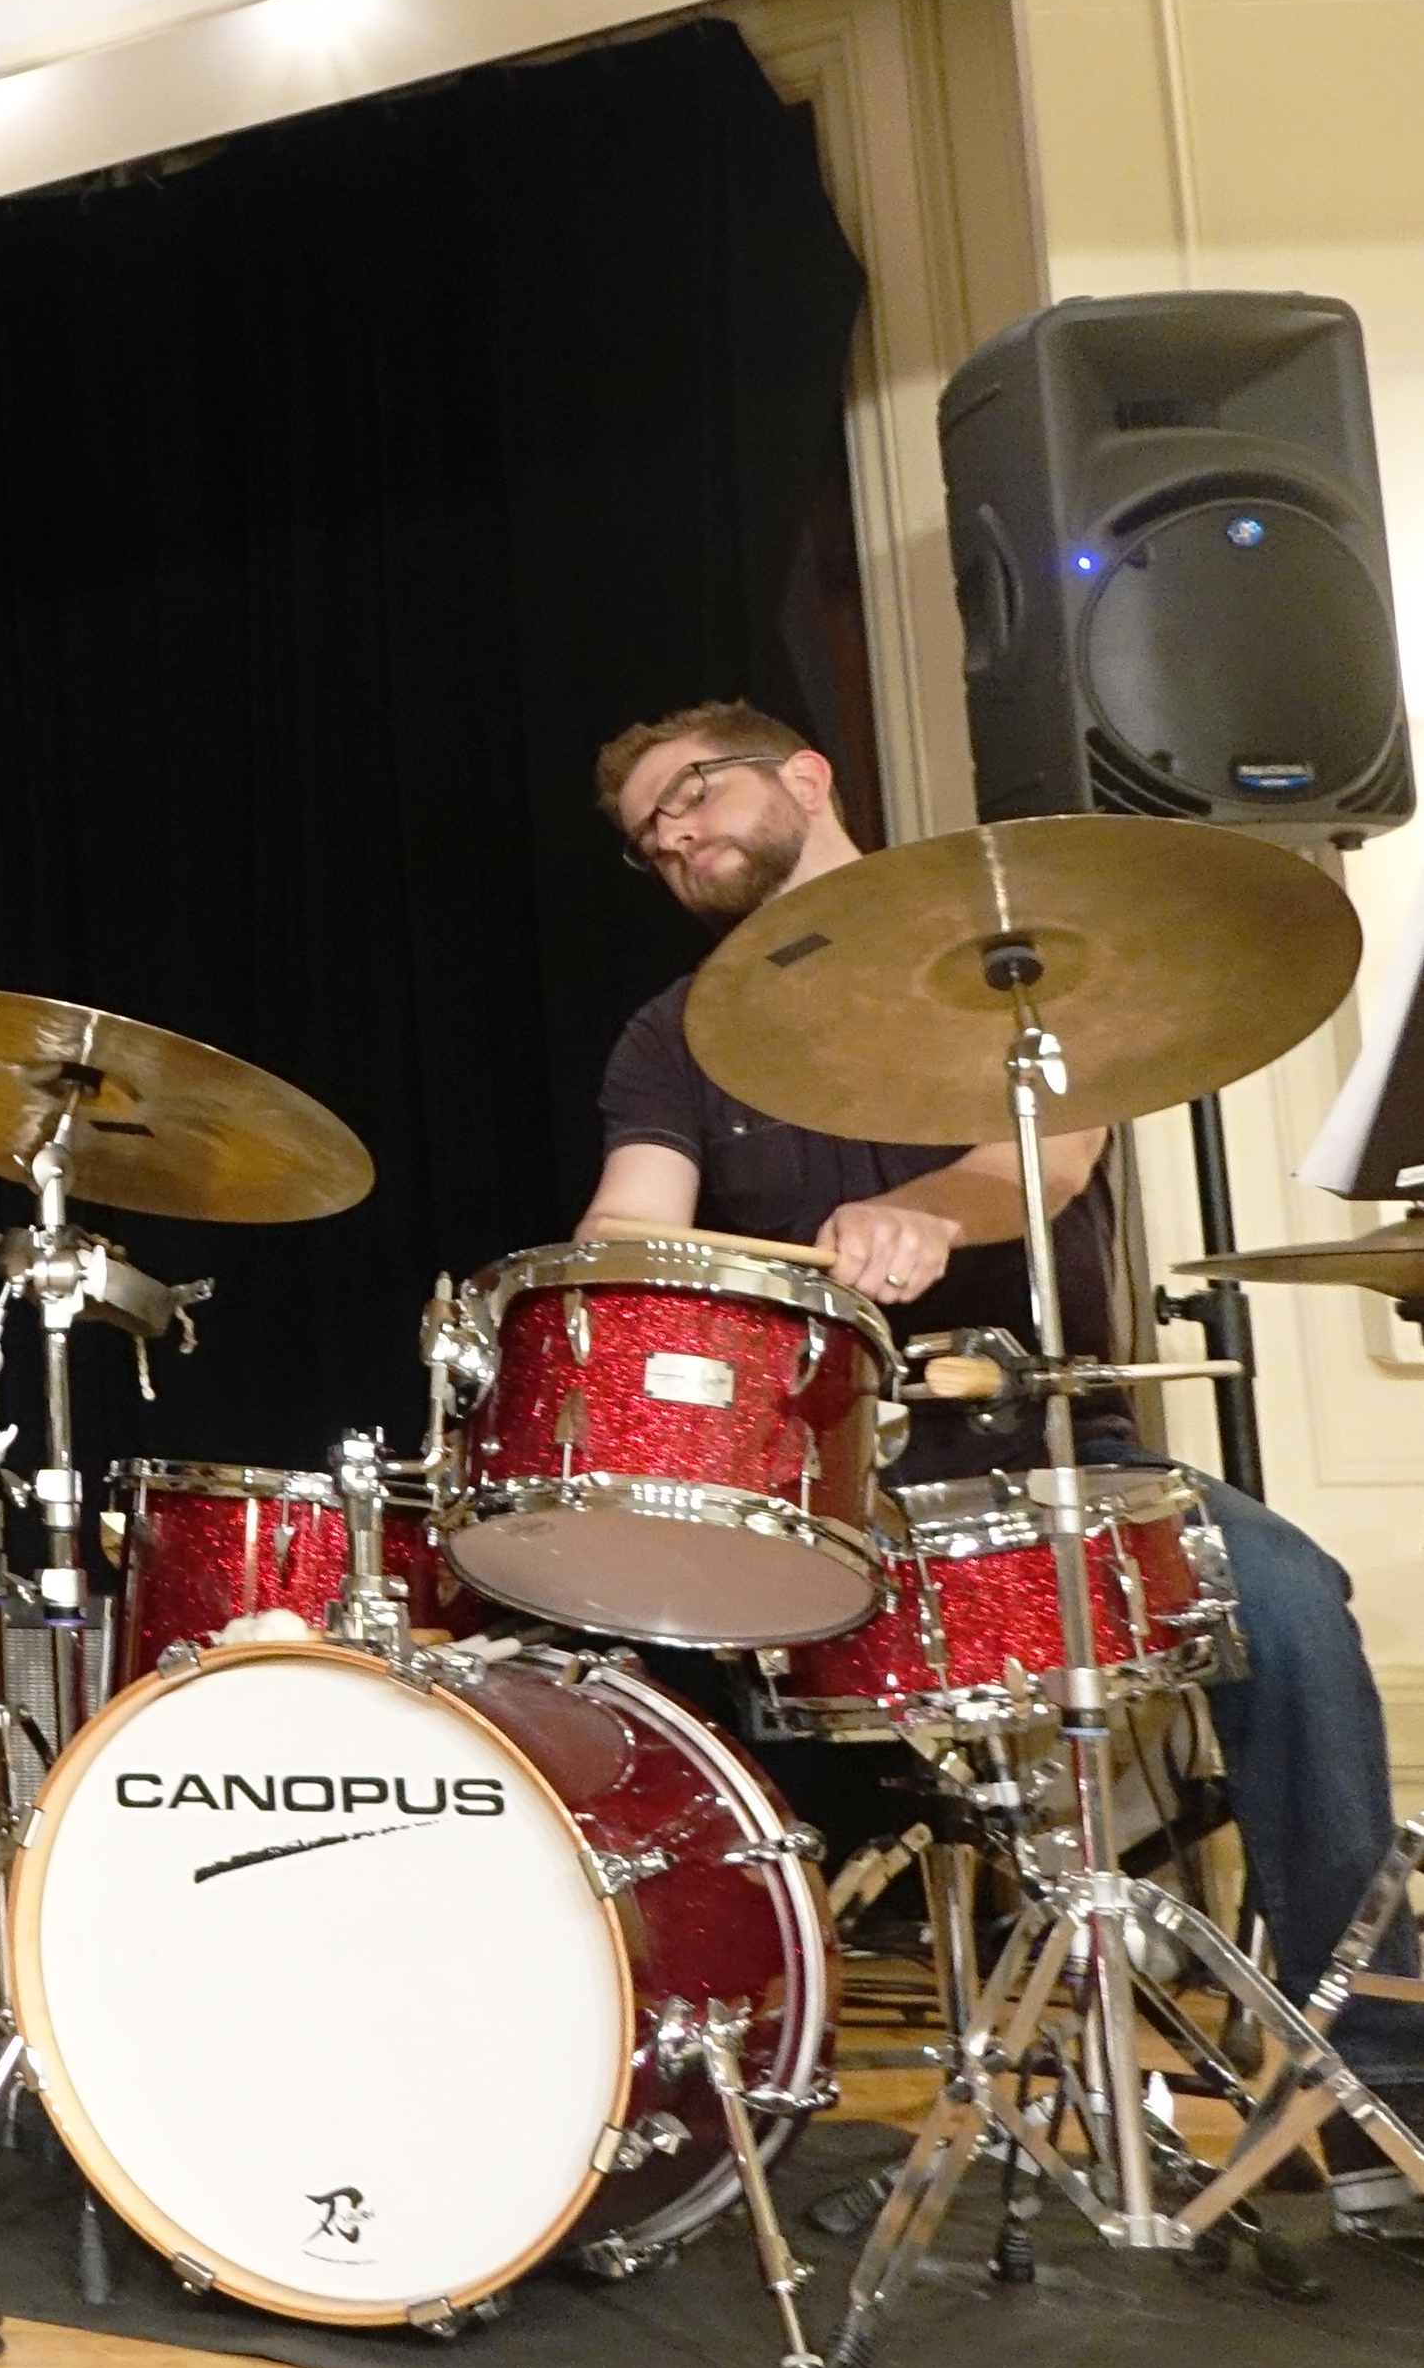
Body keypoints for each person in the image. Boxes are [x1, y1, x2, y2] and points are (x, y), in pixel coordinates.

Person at [583, 701, 1421, 2190]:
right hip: (828, 1476)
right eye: (646, 834)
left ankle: (1373, 2071)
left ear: (802, 775)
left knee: (1284, 1597)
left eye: (690, 796)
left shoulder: (1013, 962)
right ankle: (717, 2080)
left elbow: (1036, 1159)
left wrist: (929, 1213)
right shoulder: (673, 1035)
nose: (672, 838)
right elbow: (620, 1232)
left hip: (1045, 1441)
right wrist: (786, 1263)